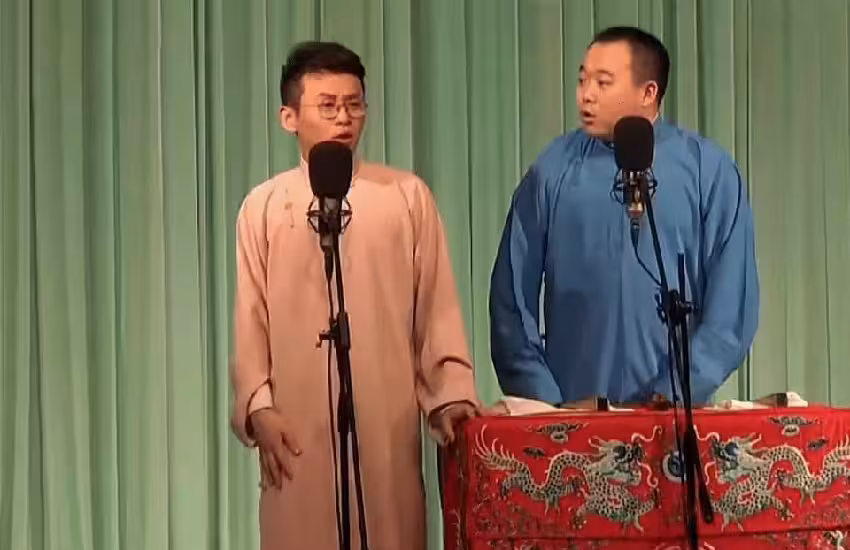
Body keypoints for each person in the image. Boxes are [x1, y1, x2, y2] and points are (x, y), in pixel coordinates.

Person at [229, 41, 480, 550]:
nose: (344, 118)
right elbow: (251, 320)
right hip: (296, 435)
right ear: (289, 117)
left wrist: (451, 396)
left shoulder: (405, 196)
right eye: (328, 106)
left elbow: (435, 309)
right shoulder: (264, 206)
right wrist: (259, 407)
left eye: (354, 104)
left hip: (385, 429)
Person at [489, 26, 759, 407]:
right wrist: (547, 403)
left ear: (648, 92)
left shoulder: (708, 171)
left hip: (672, 418)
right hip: (572, 416)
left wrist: (675, 393)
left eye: (603, 82)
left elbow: (731, 306)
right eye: (582, 80)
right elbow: (511, 301)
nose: (586, 95)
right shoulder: (551, 171)